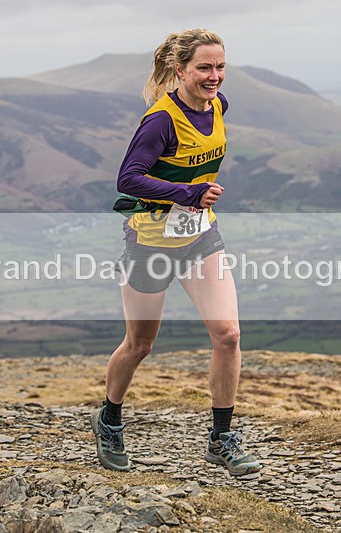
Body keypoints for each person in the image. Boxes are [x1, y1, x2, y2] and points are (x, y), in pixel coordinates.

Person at [91, 29, 261, 477]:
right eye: (204, 67)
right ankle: (109, 419)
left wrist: (193, 200)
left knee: (228, 334)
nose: (214, 76)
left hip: (200, 238)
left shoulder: (219, 106)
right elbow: (128, 179)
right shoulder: (161, 120)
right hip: (150, 244)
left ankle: (221, 437)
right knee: (140, 344)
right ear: (180, 69)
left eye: (220, 66)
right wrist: (186, 191)